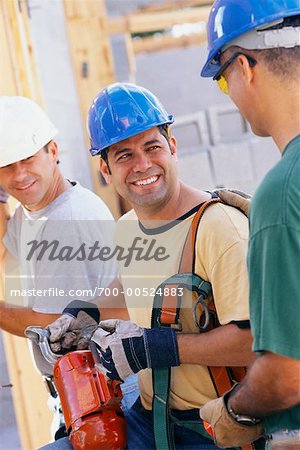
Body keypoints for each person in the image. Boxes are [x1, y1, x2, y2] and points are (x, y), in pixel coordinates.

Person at [45, 82, 265, 450]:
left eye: (152, 147)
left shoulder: (219, 229)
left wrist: (155, 349)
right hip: (151, 419)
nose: (142, 164)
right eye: (124, 155)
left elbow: (256, 341)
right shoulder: (129, 227)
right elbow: (136, 285)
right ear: (105, 169)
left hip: (216, 428)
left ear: (173, 147)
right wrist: (85, 315)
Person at [0, 96, 138, 438]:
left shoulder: (68, 220)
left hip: (106, 402)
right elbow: (5, 256)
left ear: (53, 151)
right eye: (6, 165)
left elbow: (52, 325)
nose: (19, 175)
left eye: (28, 158)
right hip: (77, 398)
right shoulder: (33, 212)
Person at [199, 1, 300, 449]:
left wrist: (233, 409)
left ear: (244, 66)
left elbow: (287, 375)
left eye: (222, 79)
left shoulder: (282, 192)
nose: (229, 90)